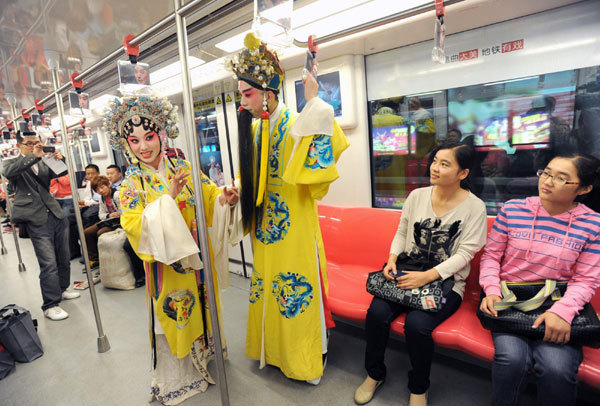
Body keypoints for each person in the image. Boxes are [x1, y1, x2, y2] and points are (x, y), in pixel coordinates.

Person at [227, 33, 349, 384]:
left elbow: (323, 158)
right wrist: (237, 188)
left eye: (247, 94)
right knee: (267, 285)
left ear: (267, 93)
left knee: (295, 287)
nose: (243, 102)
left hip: (294, 223)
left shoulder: (298, 122)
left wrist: (314, 102)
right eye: (240, 95)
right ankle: (275, 353)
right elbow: (251, 173)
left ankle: (306, 359)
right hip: (265, 228)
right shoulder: (255, 130)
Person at [103, 95, 240, 405]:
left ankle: (204, 356)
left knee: (204, 306)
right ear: (127, 145)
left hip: (196, 261)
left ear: (161, 134)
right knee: (176, 314)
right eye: (134, 140)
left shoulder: (182, 165)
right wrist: (167, 196)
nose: (143, 146)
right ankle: (178, 375)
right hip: (166, 268)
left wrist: (223, 197)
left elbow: (206, 196)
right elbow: (134, 225)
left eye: (149, 137)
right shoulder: (130, 185)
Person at [355, 142, 488, 406]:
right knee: (377, 314)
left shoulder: (475, 208)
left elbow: (464, 255)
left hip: (446, 282)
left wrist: (428, 277)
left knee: (417, 326)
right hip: (407, 271)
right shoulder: (417, 196)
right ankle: (374, 373)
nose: (434, 168)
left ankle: (418, 388)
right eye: (435, 160)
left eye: (444, 164)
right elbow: (403, 232)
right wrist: (392, 259)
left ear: (463, 173)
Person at [479, 153, 600, 406]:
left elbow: (586, 279)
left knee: (556, 369)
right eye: (546, 173)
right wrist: (491, 290)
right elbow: (491, 256)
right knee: (511, 360)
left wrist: (563, 312)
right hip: (510, 300)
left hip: (557, 302)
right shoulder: (513, 210)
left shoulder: (593, 225)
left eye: (561, 178)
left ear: (585, 188)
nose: (547, 181)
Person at [1, 131, 80, 320]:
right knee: (48, 262)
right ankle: (50, 304)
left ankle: (62, 288)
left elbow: (62, 173)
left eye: (37, 142)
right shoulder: (10, 162)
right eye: (29, 143)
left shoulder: (44, 162)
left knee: (64, 256)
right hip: (36, 217)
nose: (34, 146)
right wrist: (33, 157)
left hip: (55, 213)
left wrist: (59, 159)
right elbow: (10, 173)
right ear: (19, 145)